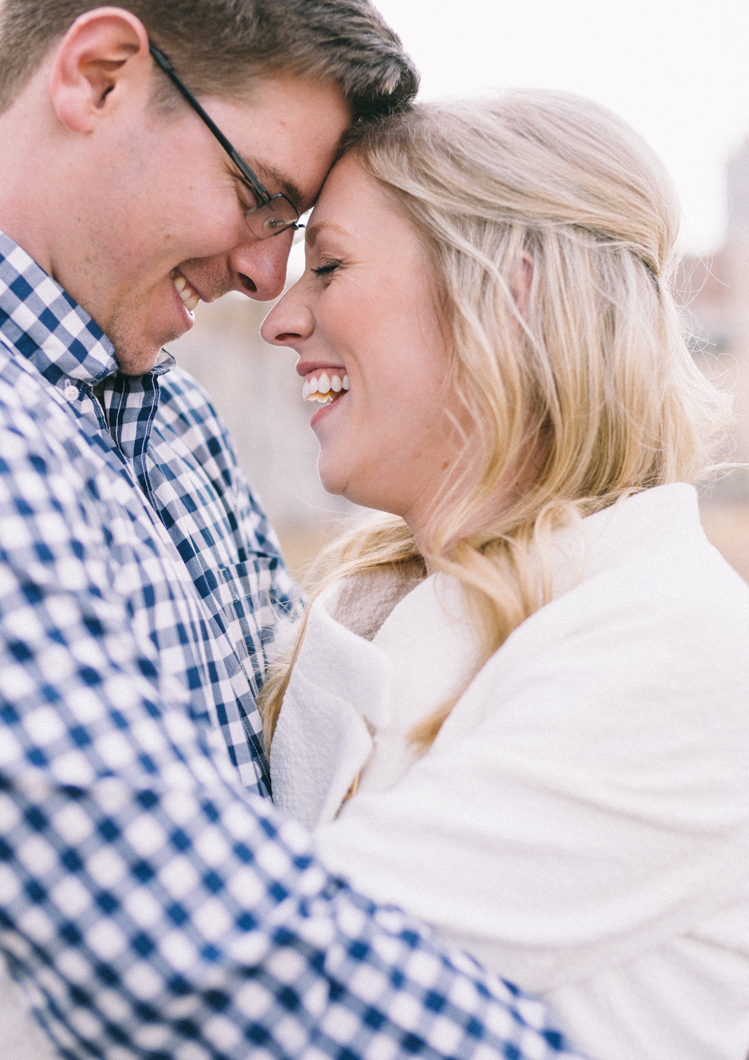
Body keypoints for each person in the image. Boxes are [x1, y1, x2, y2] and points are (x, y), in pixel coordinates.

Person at [0, 0, 589, 1059]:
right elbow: (167, 936)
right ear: (99, 75)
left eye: (296, 239)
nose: (261, 275)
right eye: (258, 195)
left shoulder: (172, 426)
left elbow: (305, 817)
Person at [260, 92, 749, 1060]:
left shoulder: (675, 649)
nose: (282, 316)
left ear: (507, 292)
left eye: (329, 265)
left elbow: (287, 977)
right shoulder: (368, 602)